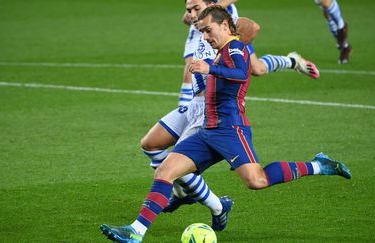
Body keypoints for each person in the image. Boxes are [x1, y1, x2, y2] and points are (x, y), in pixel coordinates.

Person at [101, 5, 350, 243]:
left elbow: (241, 74)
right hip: (207, 130)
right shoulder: (221, 51)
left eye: (208, 30)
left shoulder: (235, 48)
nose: (205, 36)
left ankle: (319, 165)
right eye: (202, 32)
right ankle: (135, 232)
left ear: (224, 26)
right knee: (165, 171)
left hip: (231, 129)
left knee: (257, 181)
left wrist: (209, 68)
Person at [140, 0, 320, 233]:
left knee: (178, 168)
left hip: (212, 110)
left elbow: (251, 30)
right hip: (195, 104)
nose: (191, 14)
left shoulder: (223, 23)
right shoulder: (200, 24)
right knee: (151, 145)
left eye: (195, 8)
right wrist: (193, 17)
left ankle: (292, 61)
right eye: (188, 9)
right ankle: (201, 199)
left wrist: (229, 33)